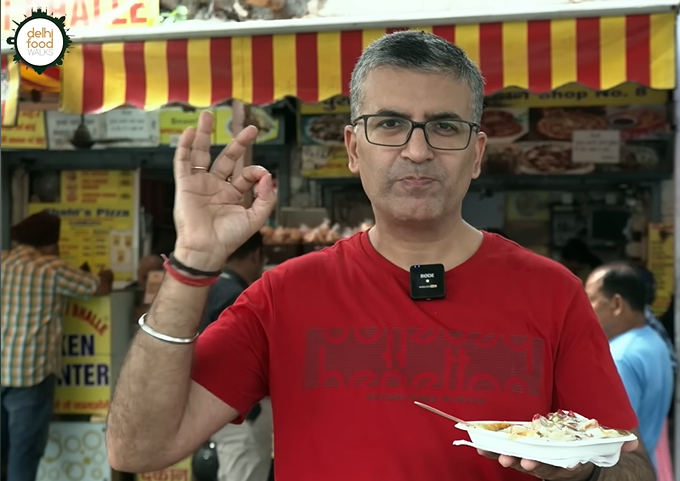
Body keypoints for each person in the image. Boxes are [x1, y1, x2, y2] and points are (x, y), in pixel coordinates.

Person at [106, 31, 655, 481]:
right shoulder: (283, 297)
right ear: (353, 148)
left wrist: (585, 471)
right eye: (389, 124)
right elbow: (136, 449)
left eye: (444, 126)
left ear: (477, 153)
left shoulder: (551, 292)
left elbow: (632, 466)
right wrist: (192, 261)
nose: (416, 150)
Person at [1, 211, 113, 481]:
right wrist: (106, 274)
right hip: (29, 374)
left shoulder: (2, 261)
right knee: (24, 454)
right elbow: (100, 288)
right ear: (51, 244)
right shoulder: (51, 269)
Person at [198, 232, 274, 481]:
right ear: (256, 255)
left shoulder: (207, 288)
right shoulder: (236, 296)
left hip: (215, 408)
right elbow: (242, 357)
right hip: (242, 413)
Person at [585, 262, 673, 469]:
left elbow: (613, 438)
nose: (585, 309)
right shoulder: (654, 341)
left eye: (590, 299)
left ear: (617, 304)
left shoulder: (620, 359)